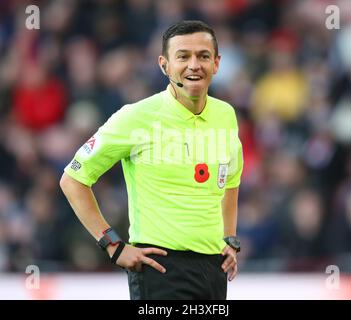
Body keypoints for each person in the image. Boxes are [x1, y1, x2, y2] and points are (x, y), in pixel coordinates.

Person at [60, 20, 243, 300]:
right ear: (164, 65)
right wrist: (113, 245)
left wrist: (229, 239)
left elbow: (231, 179)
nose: (194, 64)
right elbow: (73, 179)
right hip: (160, 270)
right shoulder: (136, 117)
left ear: (216, 63)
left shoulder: (225, 115)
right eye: (183, 56)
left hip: (213, 269)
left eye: (203, 56)